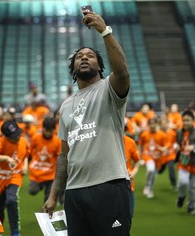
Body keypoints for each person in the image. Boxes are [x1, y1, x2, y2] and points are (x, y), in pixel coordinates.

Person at [42, 11, 132, 235]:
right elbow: (64, 155)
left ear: (100, 66)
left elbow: (121, 71)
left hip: (109, 185)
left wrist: (105, 31)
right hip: (74, 192)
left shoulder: (108, 89)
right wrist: (54, 195)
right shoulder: (65, 106)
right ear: (73, 68)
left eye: (90, 55)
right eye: (79, 56)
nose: (84, 57)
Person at [0, 120, 29, 236]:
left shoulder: (23, 141)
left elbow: (26, 154)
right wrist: (6, 158)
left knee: (11, 200)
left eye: (18, 134)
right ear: (6, 136)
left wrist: (25, 166)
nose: (17, 137)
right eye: (14, 136)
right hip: (1, 178)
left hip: (15, 176)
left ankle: (15, 231)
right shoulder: (0, 143)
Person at [175, 110, 195, 214]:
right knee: (182, 182)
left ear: (193, 121)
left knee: (194, 187)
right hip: (183, 162)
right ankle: (181, 196)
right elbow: (176, 143)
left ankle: (191, 206)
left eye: (188, 120)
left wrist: (194, 147)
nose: (185, 123)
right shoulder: (179, 132)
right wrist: (176, 147)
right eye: (184, 120)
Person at [28, 117, 61, 203]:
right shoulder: (36, 138)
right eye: (46, 130)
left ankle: (45, 213)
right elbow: (30, 150)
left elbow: (59, 156)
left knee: (49, 195)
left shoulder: (57, 141)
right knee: (32, 191)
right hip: (36, 171)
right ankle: (41, 185)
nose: (48, 133)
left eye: (50, 131)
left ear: (54, 130)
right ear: (42, 128)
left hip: (50, 173)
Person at [138, 117, 168, 199]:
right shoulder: (144, 134)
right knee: (150, 169)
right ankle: (147, 186)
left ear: (157, 124)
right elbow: (141, 145)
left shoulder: (161, 134)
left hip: (158, 157)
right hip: (147, 156)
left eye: (154, 123)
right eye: (150, 124)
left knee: (154, 175)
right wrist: (140, 156)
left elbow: (166, 146)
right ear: (148, 125)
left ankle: (150, 189)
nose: (152, 125)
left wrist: (163, 149)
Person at [123, 131, 140, 217]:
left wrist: (133, 172)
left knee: (129, 214)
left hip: (128, 185)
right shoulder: (105, 142)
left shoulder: (130, 142)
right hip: (110, 187)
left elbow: (137, 161)